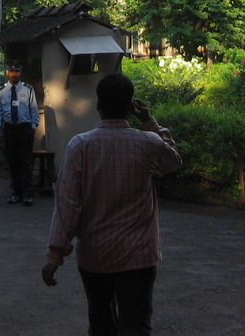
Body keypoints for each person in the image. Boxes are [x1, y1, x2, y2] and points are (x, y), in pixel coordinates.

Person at [41, 73, 181, 336]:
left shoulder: (80, 146)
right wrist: (150, 122)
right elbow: (173, 159)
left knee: (101, 321)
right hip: (139, 256)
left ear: (98, 105)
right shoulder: (148, 143)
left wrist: (54, 256)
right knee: (137, 324)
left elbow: (67, 206)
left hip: (96, 257)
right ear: (130, 106)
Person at [0, 60, 39, 206]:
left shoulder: (28, 89)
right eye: (11, 71)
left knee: (26, 162)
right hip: (10, 129)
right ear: (7, 72)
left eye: (17, 71)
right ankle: (15, 193)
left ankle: (28, 194)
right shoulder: (1, 92)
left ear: (20, 72)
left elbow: (34, 110)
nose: (14, 74)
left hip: (24, 129)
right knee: (13, 162)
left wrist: (33, 126)